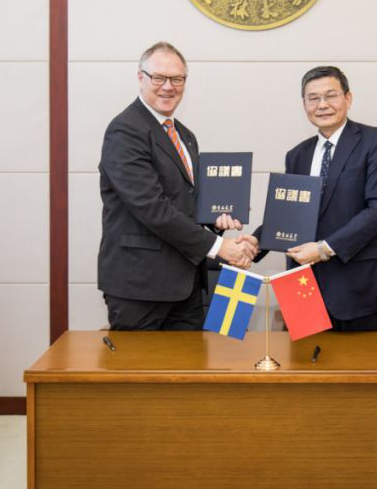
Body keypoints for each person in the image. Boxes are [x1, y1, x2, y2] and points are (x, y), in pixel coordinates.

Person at [97, 42, 257, 330]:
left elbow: (185, 204)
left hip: (186, 284)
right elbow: (151, 208)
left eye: (177, 79)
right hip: (140, 286)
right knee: (139, 360)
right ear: (141, 77)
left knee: (189, 360)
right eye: (159, 77)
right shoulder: (125, 130)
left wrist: (215, 221)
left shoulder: (185, 136)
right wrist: (219, 247)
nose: (168, 87)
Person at [259, 66, 377, 331]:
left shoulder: (376, 142)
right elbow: (290, 215)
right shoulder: (297, 155)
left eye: (330, 96)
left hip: (358, 287)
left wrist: (324, 249)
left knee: (363, 359)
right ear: (304, 104)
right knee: (302, 358)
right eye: (313, 98)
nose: (322, 105)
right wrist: (255, 241)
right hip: (302, 287)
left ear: (348, 98)